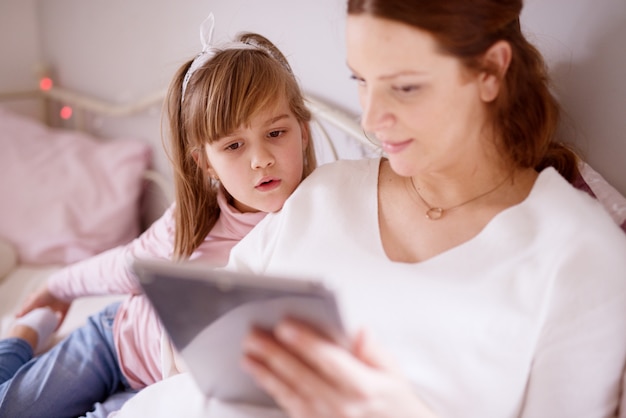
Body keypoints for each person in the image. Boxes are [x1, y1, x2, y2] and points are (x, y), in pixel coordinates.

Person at [113, 1, 626, 417]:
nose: (373, 119)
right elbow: (191, 356)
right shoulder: (321, 194)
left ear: (490, 72)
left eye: (403, 85)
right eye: (361, 80)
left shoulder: (577, 253)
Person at [0, 15, 317, 418]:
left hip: (161, 386)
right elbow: (124, 265)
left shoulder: (314, 222)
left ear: (302, 131)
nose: (261, 160)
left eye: (276, 133)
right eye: (234, 145)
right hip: (113, 341)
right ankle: (22, 336)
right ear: (207, 164)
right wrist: (57, 287)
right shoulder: (192, 221)